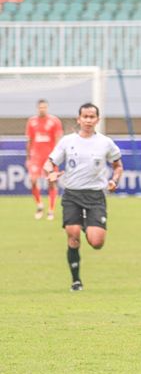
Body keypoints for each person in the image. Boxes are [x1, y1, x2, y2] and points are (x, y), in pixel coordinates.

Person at [44, 103, 123, 291]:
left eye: (92, 117)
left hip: (95, 196)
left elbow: (118, 165)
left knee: (96, 242)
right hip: (72, 194)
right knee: (72, 236)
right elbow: (49, 162)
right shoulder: (67, 141)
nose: (88, 120)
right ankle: (76, 281)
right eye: (85, 117)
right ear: (79, 119)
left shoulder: (105, 142)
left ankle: (88, 224)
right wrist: (51, 173)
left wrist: (114, 180)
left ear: (97, 120)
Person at [25, 99, 63, 220]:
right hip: (36, 157)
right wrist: (28, 157)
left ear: (47, 108)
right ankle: (39, 205)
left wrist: (56, 157)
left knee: (51, 182)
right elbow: (30, 140)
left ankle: (51, 210)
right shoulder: (32, 121)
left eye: (44, 107)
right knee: (33, 180)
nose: (42, 109)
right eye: (40, 107)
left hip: (49, 157)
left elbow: (58, 139)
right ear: (38, 108)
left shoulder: (54, 121)